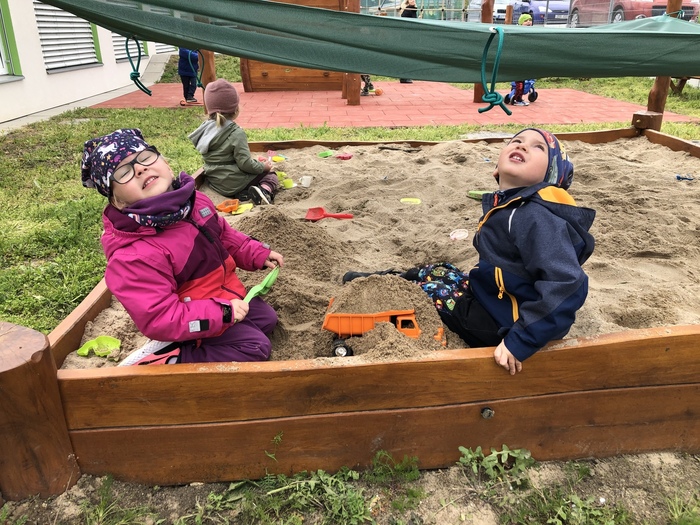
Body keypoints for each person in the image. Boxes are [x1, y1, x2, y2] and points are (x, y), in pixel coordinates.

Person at [343, 129, 595, 375]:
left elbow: (568, 284)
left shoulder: (538, 218)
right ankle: (384, 280)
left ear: (551, 177)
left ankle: (384, 293)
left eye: (538, 147)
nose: (522, 145)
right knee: (439, 271)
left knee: (430, 292)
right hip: (491, 295)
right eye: (517, 140)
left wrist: (520, 341)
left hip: (504, 324)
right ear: (496, 169)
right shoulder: (514, 205)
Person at [81, 128, 284, 365]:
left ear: (166, 164)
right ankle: (173, 356)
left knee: (267, 319)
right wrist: (221, 313)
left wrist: (256, 252)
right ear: (117, 200)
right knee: (256, 348)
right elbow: (159, 318)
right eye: (123, 172)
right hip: (190, 320)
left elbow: (224, 235)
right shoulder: (134, 254)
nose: (139, 169)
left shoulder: (195, 202)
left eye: (145, 157)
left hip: (222, 294)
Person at [189, 79, 279, 205]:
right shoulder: (236, 133)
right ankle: (264, 192)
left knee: (240, 178)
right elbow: (245, 164)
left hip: (217, 184)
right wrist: (263, 167)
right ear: (235, 108)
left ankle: (244, 195)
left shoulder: (204, 130)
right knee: (271, 176)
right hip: (236, 182)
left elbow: (223, 158)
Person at [510, 14, 533, 106]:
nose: (528, 22)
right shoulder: (518, 32)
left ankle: (514, 97)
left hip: (525, 60)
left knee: (520, 81)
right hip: (518, 60)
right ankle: (518, 99)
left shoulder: (532, 32)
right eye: (525, 21)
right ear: (521, 23)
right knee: (520, 81)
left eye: (530, 20)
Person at [399, 0, 418, 84]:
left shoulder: (412, 9)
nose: (413, 0)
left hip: (409, 37)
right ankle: (404, 77)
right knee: (406, 56)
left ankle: (407, 76)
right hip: (407, 38)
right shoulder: (408, 10)